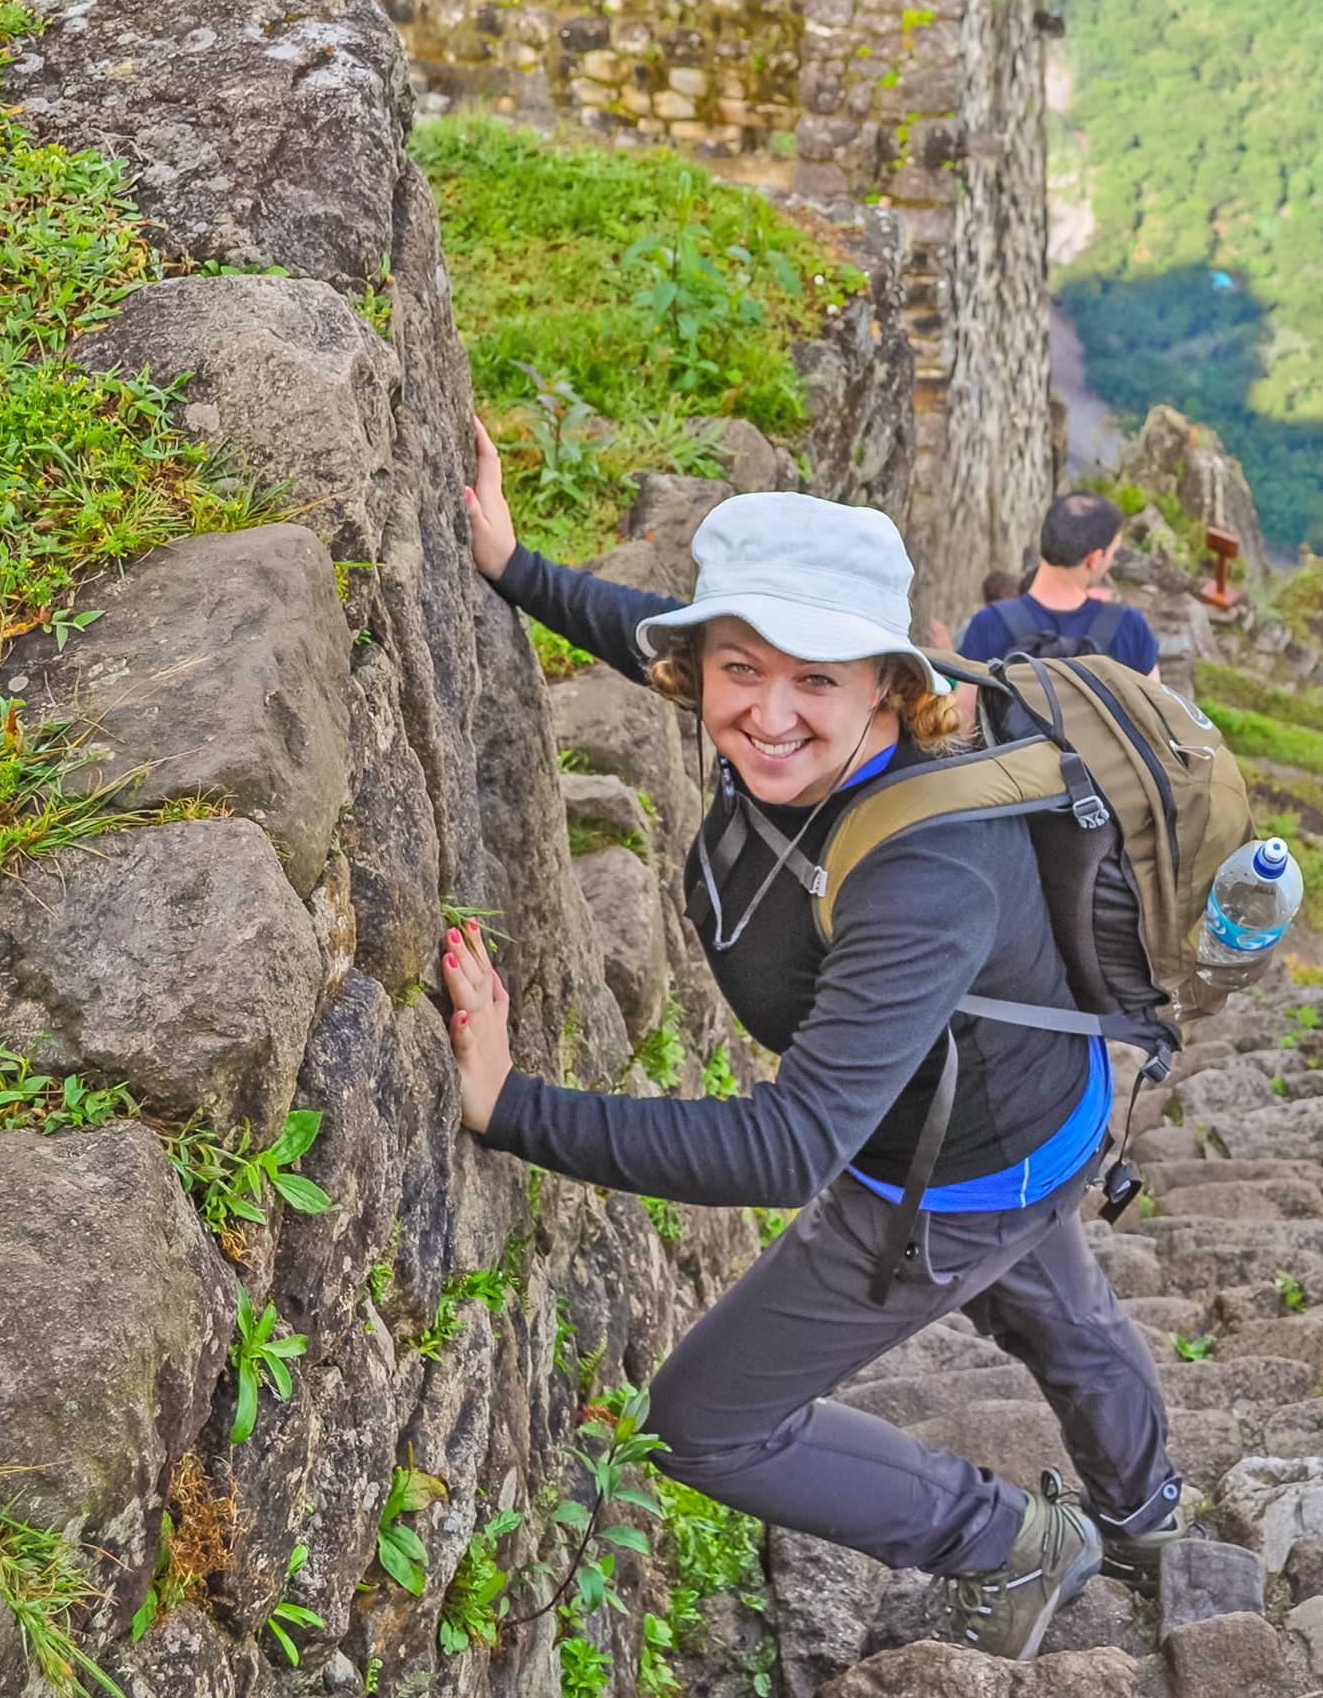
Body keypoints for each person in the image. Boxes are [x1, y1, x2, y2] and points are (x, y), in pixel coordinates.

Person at [446, 423, 1183, 1659]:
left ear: (889, 688)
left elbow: (789, 1148)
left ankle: (1004, 1538)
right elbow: (661, 640)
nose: (768, 715)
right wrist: (520, 570)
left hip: (941, 1176)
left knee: (701, 1422)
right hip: (1039, 1118)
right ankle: (1146, 1508)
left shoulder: (927, 872)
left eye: (816, 682)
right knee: (1063, 1315)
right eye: (739, 670)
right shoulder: (781, 707)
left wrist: (509, 1106)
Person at [955, 492, 1159, 675]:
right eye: (1112, 554)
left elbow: (965, 715)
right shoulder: (1129, 627)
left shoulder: (989, 624)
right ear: (1094, 558)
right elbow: (1154, 714)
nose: (1111, 562)